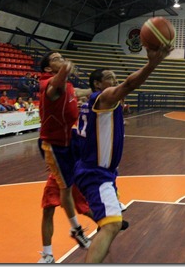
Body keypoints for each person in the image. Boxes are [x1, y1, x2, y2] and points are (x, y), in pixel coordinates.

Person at [74, 43, 171, 263]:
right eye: (110, 77)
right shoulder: (104, 97)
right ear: (98, 84)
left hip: (98, 170)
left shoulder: (98, 101)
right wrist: (152, 63)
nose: (115, 80)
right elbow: (129, 84)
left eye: (115, 77)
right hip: (96, 173)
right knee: (113, 224)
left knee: (108, 225)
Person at [38, 51, 91, 250]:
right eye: (55, 58)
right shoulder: (48, 85)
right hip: (55, 146)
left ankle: (108, 212)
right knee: (66, 191)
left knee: (75, 185)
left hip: (70, 144)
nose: (61, 60)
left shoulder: (68, 87)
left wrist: (104, 89)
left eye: (62, 57)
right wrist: (66, 67)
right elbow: (56, 83)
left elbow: (78, 91)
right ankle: (76, 230)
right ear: (47, 68)